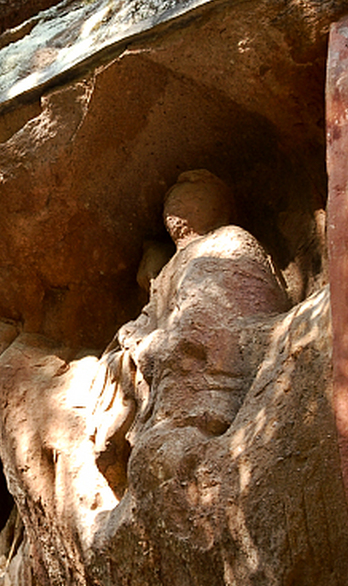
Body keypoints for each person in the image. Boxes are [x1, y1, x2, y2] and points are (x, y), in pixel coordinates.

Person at [101, 170, 291, 444]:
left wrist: (174, 333)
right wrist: (134, 335)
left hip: (211, 352)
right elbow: (148, 318)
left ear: (220, 208)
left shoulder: (229, 238)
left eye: (194, 194)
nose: (178, 204)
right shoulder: (166, 269)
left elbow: (242, 298)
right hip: (165, 351)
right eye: (172, 200)